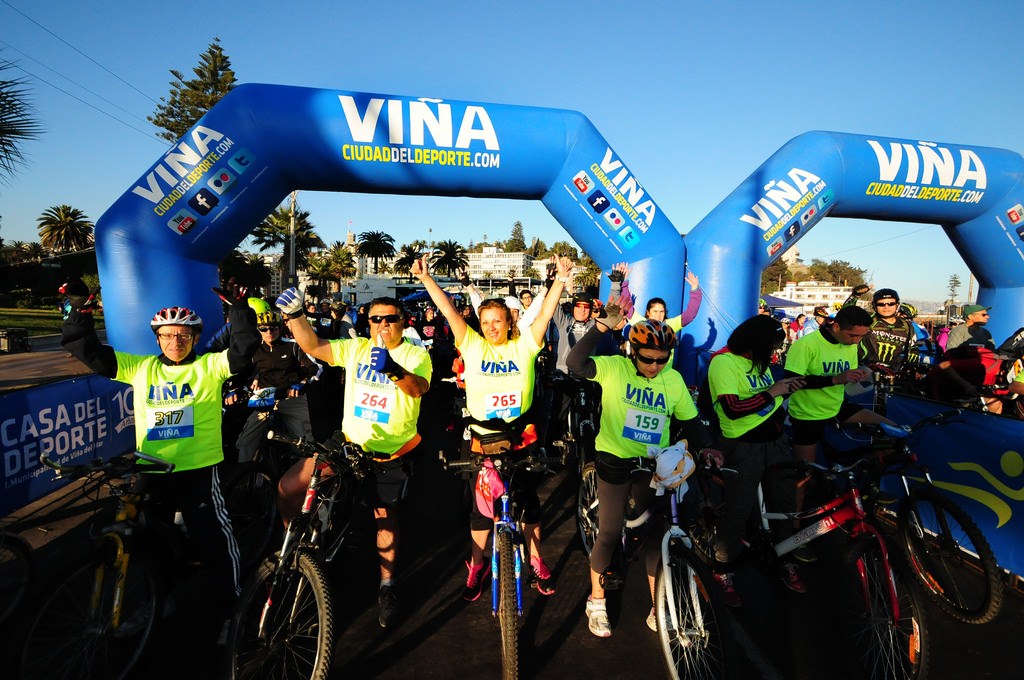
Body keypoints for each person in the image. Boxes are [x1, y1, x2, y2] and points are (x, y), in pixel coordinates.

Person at [61, 294, 259, 638]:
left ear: (196, 338)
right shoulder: (140, 368)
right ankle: (160, 601)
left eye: (183, 335)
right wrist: (78, 315)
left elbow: (242, 350)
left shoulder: (208, 367)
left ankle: (235, 607)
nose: (175, 342)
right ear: (157, 338)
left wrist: (239, 310)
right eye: (167, 335)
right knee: (150, 543)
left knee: (214, 542)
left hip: (197, 472)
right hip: (152, 471)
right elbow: (90, 353)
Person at [412, 254, 572, 602]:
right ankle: (476, 564)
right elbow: (451, 313)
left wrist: (560, 279)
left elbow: (544, 313)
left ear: (510, 322)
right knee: (481, 512)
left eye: (497, 320)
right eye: (485, 321)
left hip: (522, 440)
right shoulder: (471, 344)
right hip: (482, 443)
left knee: (529, 505)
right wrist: (426, 280)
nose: (490, 327)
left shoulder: (525, 344)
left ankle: (535, 561)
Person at [275, 288, 431, 628]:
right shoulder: (357, 347)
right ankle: (303, 554)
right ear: (368, 322)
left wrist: (392, 369)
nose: (382, 325)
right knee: (289, 487)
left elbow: (418, 388)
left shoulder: (415, 354)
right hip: (348, 444)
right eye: (375, 319)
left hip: (390, 454)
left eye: (390, 319)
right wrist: (296, 315)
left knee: (384, 520)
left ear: (403, 323)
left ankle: (387, 585)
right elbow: (313, 346)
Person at [566, 302, 715, 637]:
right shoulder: (616, 368)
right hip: (614, 460)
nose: (654, 365)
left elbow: (691, 423)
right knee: (608, 533)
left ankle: (658, 608)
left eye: (661, 359)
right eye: (647, 358)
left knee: (654, 536)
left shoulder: (673, 380)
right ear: (633, 352)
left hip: (653, 464)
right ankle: (597, 601)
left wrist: (709, 449)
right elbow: (574, 363)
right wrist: (601, 327)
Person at [706, 315, 808, 606]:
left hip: (773, 442)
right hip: (742, 446)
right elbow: (733, 408)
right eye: (772, 347)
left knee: (783, 503)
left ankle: (785, 559)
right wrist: (772, 392)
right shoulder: (723, 362)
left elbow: (768, 398)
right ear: (754, 345)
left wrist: (785, 389)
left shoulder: (759, 361)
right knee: (738, 510)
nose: (775, 353)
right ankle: (722, 569)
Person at [784, 305, 892, 468]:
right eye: (853, 335)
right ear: (836, 327)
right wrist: (834, 379)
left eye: (861, 336)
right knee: (804, 473)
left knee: (894, 430)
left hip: (836, 407)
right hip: (807, 415)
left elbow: (847, 378)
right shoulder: (806, 344)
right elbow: (790, 382)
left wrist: (860, 375)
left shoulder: (851, 345)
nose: (856, 341)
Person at [233, 301, 322, 463]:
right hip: (265, 399)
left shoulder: (293, 346)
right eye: (263, 329)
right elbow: (242, 371)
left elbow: (315, 368)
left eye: (273, 328)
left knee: (304, 443)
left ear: (280, 328)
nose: (269, 332)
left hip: (291, 398)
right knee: (246, 441)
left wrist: (302, 383)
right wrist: (238, 386)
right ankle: (247, 477)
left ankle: (308, 479)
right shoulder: (254, 350)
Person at [852, 288, 917, 372]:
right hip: (863, 370)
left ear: (897, 305)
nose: (886, 307)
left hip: (891, 373)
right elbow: (845, 314)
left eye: (891, 303)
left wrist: (912, 369)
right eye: (881, 304)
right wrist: (854, 296)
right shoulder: (867, 319)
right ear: (874, 306)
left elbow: (913, 348)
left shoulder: (907, 326)